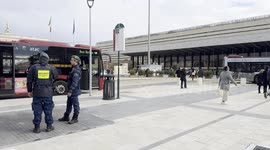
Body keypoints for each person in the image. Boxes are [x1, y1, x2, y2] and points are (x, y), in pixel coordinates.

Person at [27, 52, 58, 133]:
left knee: (37, 110)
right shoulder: (51, 68)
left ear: (39, 59)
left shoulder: (33, 67)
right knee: (48, 110)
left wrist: (29, 91)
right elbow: (56, 76)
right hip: (48, 93)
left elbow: (29, 81)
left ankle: (37, 128)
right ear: (47, 59)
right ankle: (49, 126)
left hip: (37, 93)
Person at [58, 55, 82, 124]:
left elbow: (75, 82)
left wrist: (70, 90)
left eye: (72, 60)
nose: (70, 61)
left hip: (74, 91)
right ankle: (66, 116)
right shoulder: (73, 69)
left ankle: (75, 118)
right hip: (71, 90)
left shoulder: (76, 70)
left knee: (75, 104)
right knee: (69, 104)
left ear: (75, 61)